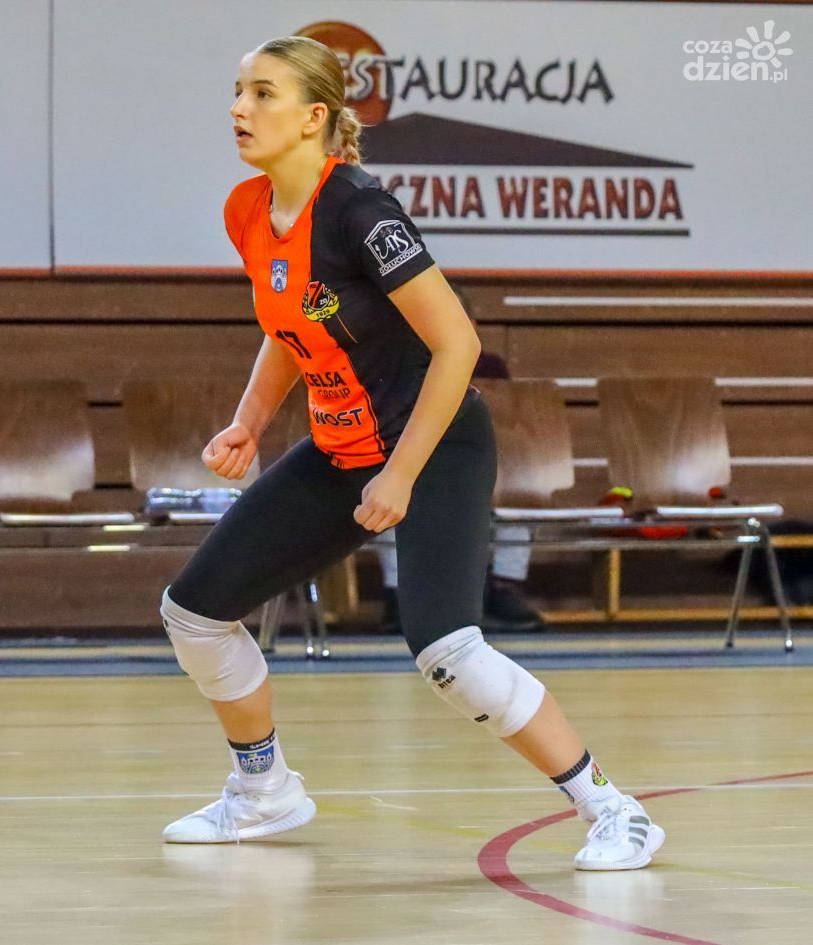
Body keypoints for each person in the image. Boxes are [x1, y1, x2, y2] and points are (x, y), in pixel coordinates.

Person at [157, 36, 663, 870]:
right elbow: (290, 327)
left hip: (436, 440)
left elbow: (458, 345)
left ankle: (613, 808)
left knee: (448, 652)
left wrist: (400, 472)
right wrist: (249, 421)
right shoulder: (248, 210)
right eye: (239, 91)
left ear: (314, 116)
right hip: (342, 447)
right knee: (194, 613)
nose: (240, 108)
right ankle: (263, 789)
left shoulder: (364, 213)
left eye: (263, 93)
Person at [372, 290, 544, 635]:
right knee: (384, 498)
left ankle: (503, 588)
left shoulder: (490, 368)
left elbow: (507, 427)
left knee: (520, 503)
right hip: (415, 466)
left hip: (479, 467)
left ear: (472, 326)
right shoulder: (401, 364)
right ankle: (397, 592)